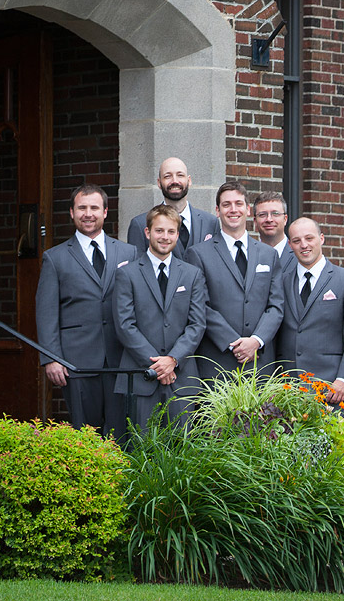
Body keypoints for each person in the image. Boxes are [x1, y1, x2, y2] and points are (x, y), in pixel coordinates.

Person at [35, 183, 137, 439]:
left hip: (120, 358)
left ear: (105, 212)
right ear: (71, 213)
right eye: (82, 208)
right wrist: (51, 358)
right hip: (76, 361)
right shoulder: (54, 258)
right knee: (85, 435)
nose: (88, 213)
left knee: (121, 435)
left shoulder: (128, 252)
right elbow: (46, 312)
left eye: (94, 207)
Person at [112, 203, 207, 431]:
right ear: (147, 233)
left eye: (171, 231)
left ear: (177, 234)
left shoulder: (192, 274)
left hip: (182, 378)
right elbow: (125, 325)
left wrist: (173, 359)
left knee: (182, 453)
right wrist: (157, 365)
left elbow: (197, 324)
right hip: (141, 376)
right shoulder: (127, 273)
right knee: (142, 450)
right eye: (159, 231)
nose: (165, 237)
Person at [186, 180, 283, 379]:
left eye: (238, 204)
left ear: (248, 210)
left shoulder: (268, 255)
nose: (233, 210)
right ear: (217, 210)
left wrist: (256, 341)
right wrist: (234, 343)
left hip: (259, 363)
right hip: (217, 363)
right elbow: (200, 306)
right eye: (226, 204)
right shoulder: (198, 254)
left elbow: (276, 305)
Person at [275, 216, 344, 404]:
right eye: (296, 241)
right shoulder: (282, 282)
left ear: (321, 239)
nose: (304, 245)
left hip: (331, 388)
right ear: (290, 245)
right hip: (287, 389)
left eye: (309, 238)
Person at [126, 156, 217, 259]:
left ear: (189, 180)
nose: (175, 181)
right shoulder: (140, 224)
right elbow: (137, 269)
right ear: (159, 183)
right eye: (167, 176)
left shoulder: (210, 222)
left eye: (180, 175)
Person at [252, 192, 296, 274]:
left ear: (285, 219)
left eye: (275, 214)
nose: (269, 219)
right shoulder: (249, 256)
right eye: (262, 214)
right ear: (255, 221)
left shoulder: (298, 255)